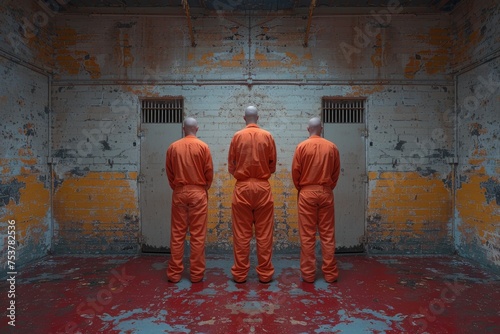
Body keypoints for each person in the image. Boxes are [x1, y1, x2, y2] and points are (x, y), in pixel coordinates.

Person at [228, 105, 277, 284]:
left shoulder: (237, 137)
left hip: (242, 188)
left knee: (241, 234)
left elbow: (231, 166)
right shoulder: (268, 136)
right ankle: (265, 275)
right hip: (263, 187)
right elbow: (272, 165)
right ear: (258, 117)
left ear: (244, 118)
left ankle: (240, 274)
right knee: (264, 234)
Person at [291, 117, 341, 283]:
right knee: (327, 235)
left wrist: (303, 189)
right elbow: (335, 173)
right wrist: (327, 187)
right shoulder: (332, 147)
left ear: (308, 129)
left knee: (307, 236)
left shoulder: (301, 147)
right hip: (326, 192)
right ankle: (330, 274)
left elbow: (296, 173)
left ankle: (308, 274)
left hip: (307, 193)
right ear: (322, 128)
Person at [166, 117, 213, 283]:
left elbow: (170, 173)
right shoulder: (203, 147)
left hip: (179, 192)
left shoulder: (173, 147)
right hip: (198, 192)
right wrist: (202, 188)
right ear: (197, 129)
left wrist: (178, 187)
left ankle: (174, 274)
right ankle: (196, 274)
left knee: (177, 235)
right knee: (197, 236)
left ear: (183, 128)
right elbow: (209, 173)